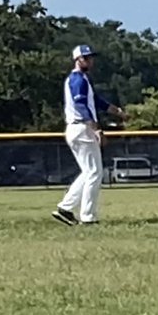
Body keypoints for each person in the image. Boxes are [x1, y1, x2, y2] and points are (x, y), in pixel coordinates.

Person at [52, 45, 125, 225]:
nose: (90, 60)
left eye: (91, 57)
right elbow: (82, 106)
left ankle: (66, 208)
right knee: (94, 172)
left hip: (77, 128)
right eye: (86, 58)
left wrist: (116, 111)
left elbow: (96, 101)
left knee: (89, 171)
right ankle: (88, 217)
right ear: (77, 59)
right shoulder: (78, 80)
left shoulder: (83, 79)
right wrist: (96, 129)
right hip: (82, 127)